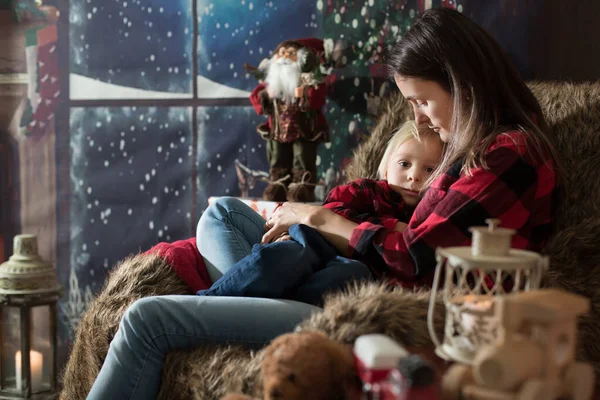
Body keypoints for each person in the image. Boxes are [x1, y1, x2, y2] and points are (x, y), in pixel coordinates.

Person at [86, 8, 559, 400]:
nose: (420, 120)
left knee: (148, 318)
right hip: (342, 272)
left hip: (364, 303)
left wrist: (317, 216)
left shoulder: (507, 154)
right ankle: (254, 290)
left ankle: (240, 297)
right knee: (226, 213)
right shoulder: (475, 147)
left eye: (421, 102)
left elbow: (416, 255)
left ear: (463, 84)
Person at [196, 122, 443, 305]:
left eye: (430, 169)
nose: (414, 176)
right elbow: (331, 208)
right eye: (404, 164)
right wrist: (388, 227)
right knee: (277, 257)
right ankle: (209, 303)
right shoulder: (367, 190)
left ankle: (273, 308)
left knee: (353, 277)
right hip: (313, 245)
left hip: (351, 268)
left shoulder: (431, 214)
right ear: (387, 168)